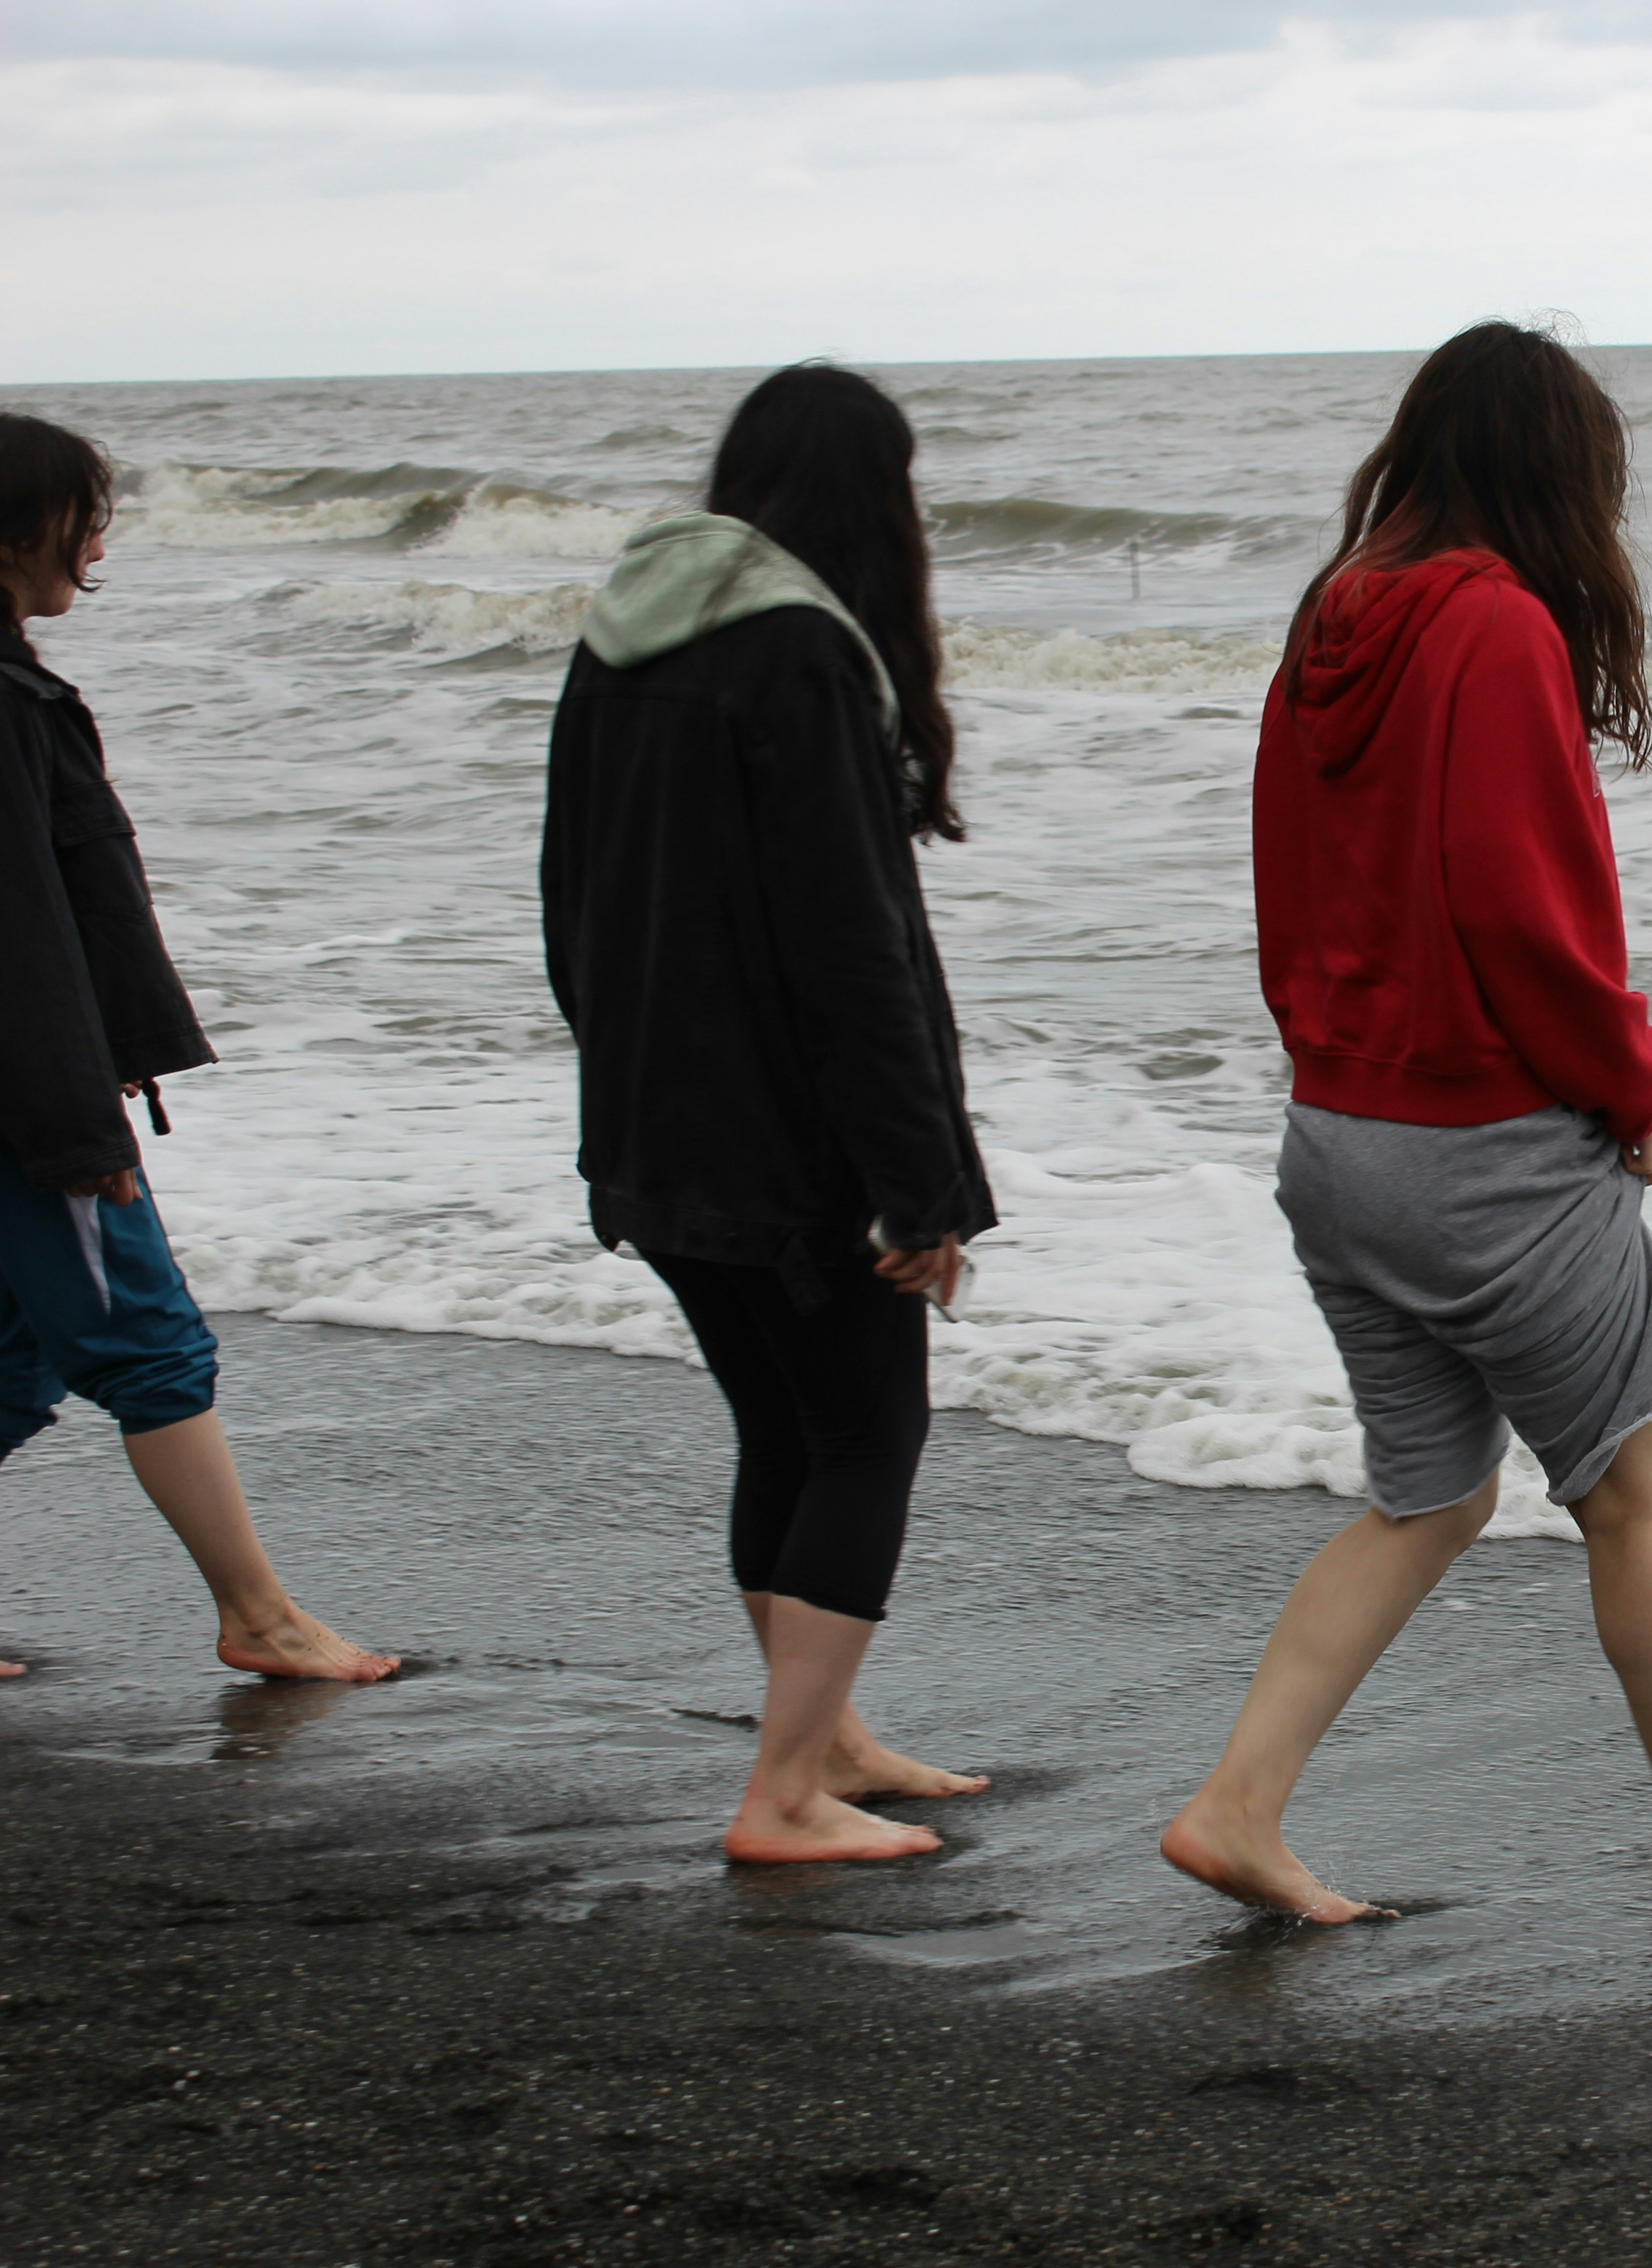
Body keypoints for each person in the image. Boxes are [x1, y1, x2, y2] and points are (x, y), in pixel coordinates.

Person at [1161, 322, 1652, 1922]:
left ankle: (1236, 1807)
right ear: (1560, 473)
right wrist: (1634, 1078)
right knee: (1631, 1500)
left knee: (1431, 1495)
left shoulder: (1329, 624)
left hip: (1335, 1138)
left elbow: (1286, 896)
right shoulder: (1498, 630)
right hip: (1483, 1153)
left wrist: (1338, 1061)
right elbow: (1528, 913)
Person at [541, 364, 994, 1864]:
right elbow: (848, 947)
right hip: (791, 1140)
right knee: (869, 1433)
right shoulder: (801, 648)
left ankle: (827, 1740)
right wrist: (919, 1184)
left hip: (657, 1118)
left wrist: (620, 1084)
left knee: (784, 1428)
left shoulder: (625, 631)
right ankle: (783, 1793)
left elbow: (568, 897)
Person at [0, 411, 398, 1687]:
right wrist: (77, 1125)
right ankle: (260, 1617)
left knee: (9, 1355)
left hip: (30, 1082)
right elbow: (16, 930)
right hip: (22, 1106)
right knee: (147, 1342)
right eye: (81, 517)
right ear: (14, 532)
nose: (99, 542)